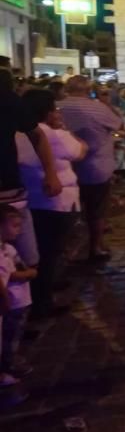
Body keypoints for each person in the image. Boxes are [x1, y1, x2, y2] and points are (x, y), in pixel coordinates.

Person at [14, 89, 86, 320]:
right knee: (50, 253)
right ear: (46, 111)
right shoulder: (50, 134)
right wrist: (63, 128)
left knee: (38, 252)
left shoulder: (17, 133)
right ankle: (43, 302)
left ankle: (40, 295)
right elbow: (80, 150)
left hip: (31, 199)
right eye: (54, 108)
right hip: (57, 201)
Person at [0, 69, 61, 287]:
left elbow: (37, 136)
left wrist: (51, 174)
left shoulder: (8, 102)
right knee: (30, 256)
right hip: (19, 194)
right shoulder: (10, 101)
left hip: (13, 191)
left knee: (28, 257)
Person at [58, 75, 122, 261]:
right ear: (88, 90)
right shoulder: (97, 107)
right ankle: (96, 247)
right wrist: (106, 103)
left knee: (70, 211)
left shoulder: (57, 106)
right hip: (96, 166)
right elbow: (118, 123)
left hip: (65, 167)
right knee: (97, 210)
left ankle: (66, 252)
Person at [0, 205, 37, 386]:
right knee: (9, 336)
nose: (19, 230)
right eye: (14, 226)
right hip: (11, 301)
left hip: (20, 299)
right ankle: (7, 365)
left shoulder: (8, 248)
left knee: (15, 332)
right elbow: (8, 275)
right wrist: (28, 274)